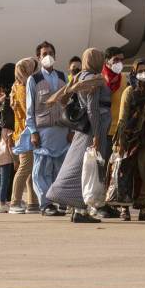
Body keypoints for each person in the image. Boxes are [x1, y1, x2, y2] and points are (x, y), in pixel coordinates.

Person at [45, 48, 111, 223]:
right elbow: (93, 109)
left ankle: (77, 209)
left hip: (84, 130)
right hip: (93, 129)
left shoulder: (80, 77)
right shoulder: (94, 80)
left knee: (78, 164)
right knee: (86, 168)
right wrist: (97, 134)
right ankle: (81, 211)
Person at [113, 59, 145, 221]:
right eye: (139, 70)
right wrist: (121, 141)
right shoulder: (129, 92)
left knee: (144, 172)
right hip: (129, 138)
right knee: (126, 171)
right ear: (134, 73)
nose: (143, 74)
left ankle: (143, 208)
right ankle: (124, 207)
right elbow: (122, 118)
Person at [25, 43, 70, 215]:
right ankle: (46, 204)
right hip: (43, 131)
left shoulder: (62, 77)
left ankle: (58, 201)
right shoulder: (33, 80)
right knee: (42, 169)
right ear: (38, 57)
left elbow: (67, 103)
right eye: (44, 53)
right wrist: (33, 132)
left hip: (62, 130)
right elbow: (30, 110)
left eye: (51, 53)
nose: (48, 56)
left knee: (59, 169)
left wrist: (71, 130)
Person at [8, 57, 37, 214]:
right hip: (26, 132)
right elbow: (29, 111)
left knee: (30, 169)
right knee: (25, 168)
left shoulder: (19, 85)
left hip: (23, 132)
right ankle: (15, 202)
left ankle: (33, 202)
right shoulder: (22, 87)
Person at [0, 67, 16, 213]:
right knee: (6, 179)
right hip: (6, 153)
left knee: (3, 178)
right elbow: (8, 140)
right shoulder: (7, 123)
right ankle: (2, 201)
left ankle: (1, 201)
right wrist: (15, 157)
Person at [104, 46, 127, 141]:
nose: (119, 63)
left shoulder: (123, 77)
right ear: (107, 61)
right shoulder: (100, 78)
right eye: (116, 60)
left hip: (120, 129)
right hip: (104, 129)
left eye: (121, 60)